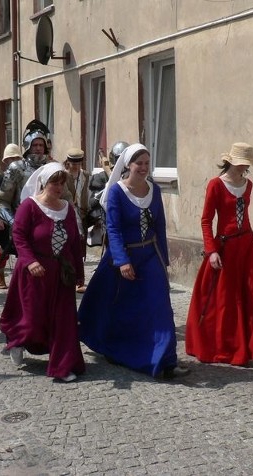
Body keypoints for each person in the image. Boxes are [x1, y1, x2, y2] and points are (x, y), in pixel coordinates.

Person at [78, 143, 189, 380]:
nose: (144, 168)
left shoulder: (154, 190)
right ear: (128, 165)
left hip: (150, 256)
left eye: (147, 163)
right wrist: (122, 260)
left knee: (160, 307)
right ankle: (119, 348)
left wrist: (164, 262)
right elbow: (114, 229)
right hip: (124, 257)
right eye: (139, 163)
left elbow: (159, 227)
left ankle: (167, 361)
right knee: (121, 307)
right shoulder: (117, 191)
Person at [184, 142, 253, 369]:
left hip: (247, 246)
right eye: (240, 164)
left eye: (246, 165)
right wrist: (211, 251)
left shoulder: (248, 185)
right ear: (230, 162)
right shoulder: (216, 185)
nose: (243, 168)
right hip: (225, 248)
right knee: (225, 300)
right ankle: (226, 347)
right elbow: (206, 220)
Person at [0, 162, 85, 383]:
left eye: (61, 182)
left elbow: (74, 242)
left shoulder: (67, 208)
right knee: (31, 320)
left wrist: (78, 271)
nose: (58, 187)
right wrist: (29, 261)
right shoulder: (30, 206)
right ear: (44, 183)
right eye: (54, 182)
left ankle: (62, 366)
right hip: (33, 273)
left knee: (63, 321)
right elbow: (18, 236)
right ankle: (17, 340)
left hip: (60, 273)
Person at [0, 143, 23, 289]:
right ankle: (0, 274)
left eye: (16, 158)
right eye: (10, 159)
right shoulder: (0, 179)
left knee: (23, 250)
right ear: (5, 161)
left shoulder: (25, 176)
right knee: (5, 249)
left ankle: (21, 280)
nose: (13, 161)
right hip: (5, 218)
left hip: (22, 217)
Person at [65, 147, 90, 292]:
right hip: (68, 214)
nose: (75, 165)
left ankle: (80, 279)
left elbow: (87, 192)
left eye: (78, 162)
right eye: (73, 162)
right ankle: (72, 278)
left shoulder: (86, 175)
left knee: (81, 248)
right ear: (68, 162)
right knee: (71, 246)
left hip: (82, 214)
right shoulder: (64, 175)